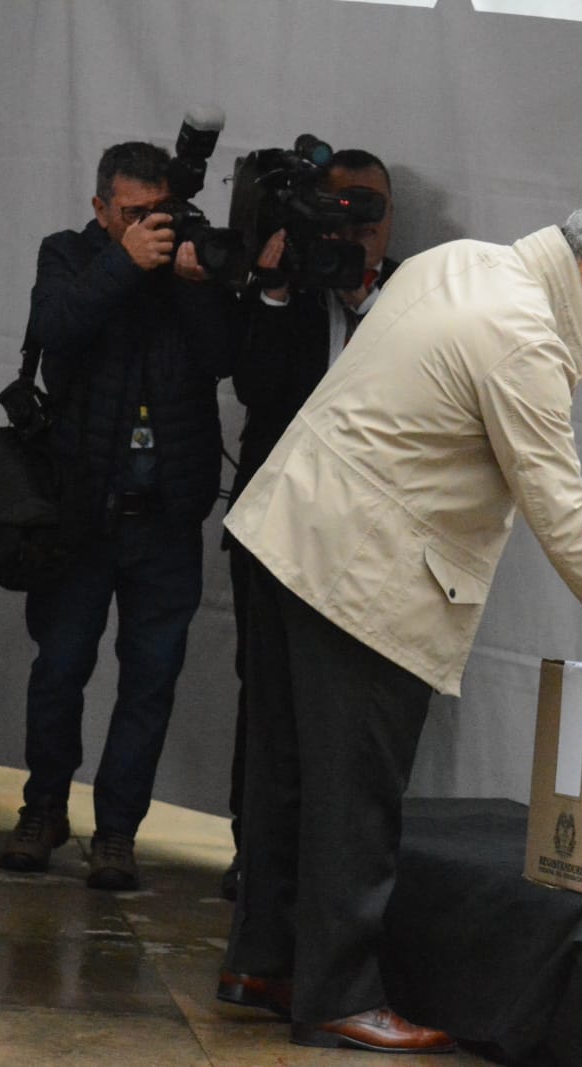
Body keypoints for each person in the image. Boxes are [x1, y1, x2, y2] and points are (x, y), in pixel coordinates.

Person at [217, 196, 582, 1053]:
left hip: (284, 529)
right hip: (361, 574)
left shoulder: (460, 260)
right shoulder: (524, 336)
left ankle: (264, 962)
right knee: (352, 798)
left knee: (282, 770)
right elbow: (559, 505)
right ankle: (336, 994)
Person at [0, 142, 231, 891]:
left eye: (157, 212)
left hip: (166, 513)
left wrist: (194, 283)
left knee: (150, 679)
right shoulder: (68, 254)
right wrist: (123, 262)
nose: (147, 226)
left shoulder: (188, 261)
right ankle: (42, 809)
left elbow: (226, 357)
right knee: (60, 668)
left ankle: (118, 831)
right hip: (80, 510)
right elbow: (56, 328)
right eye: (131, 213)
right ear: (101, 209)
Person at [217, 148, 399, 901]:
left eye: (372, 210)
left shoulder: (415, 295)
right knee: (266, 698)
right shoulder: (282, 289)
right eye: (342, 206)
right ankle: (253, 853)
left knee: (348, 709)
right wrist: (275, 287)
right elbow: (252, 387)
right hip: (276, 530)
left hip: (370, 539)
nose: (356, 226)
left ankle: (332, 865)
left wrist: (361, 294)